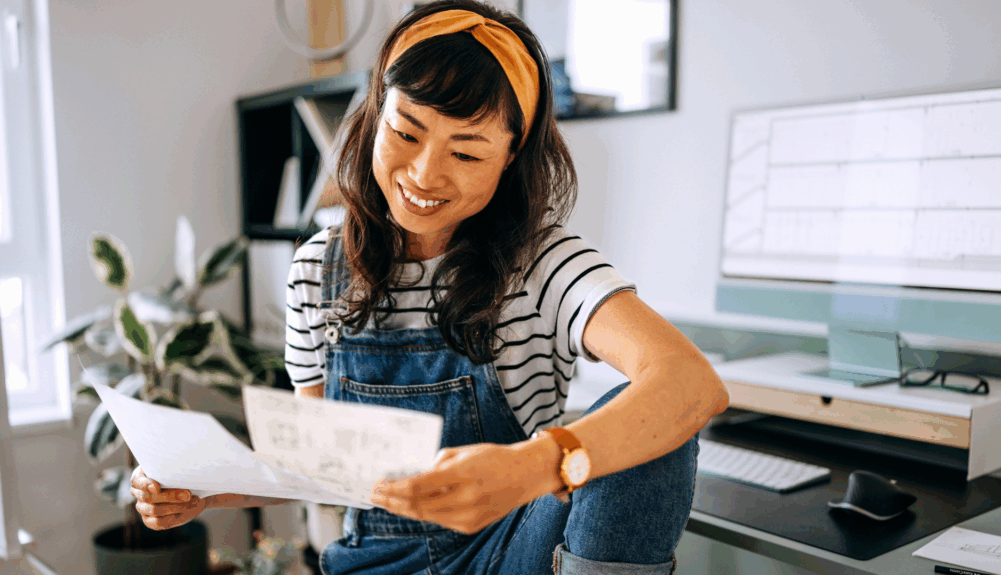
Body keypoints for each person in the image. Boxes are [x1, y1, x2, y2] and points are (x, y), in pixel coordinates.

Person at [130, 1, 730, 573]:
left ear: (510, 158)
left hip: (514, 553)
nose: (423, 174)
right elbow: (321, 466)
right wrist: (207, 489)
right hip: (375, 562)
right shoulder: (317, 268)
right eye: (407, 133)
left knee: (649, 436)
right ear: (373, 117)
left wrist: (534, 467)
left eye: (466, 153)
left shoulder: (543, 264)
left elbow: (690, 383)